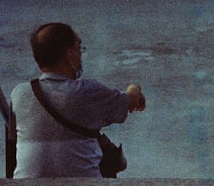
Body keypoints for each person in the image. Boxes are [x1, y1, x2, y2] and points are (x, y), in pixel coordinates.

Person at [11, 22, 146, 178]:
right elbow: (131, 101)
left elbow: (15, 136)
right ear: (70, 55)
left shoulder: (19, 94)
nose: (81, 54)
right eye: (79, 49)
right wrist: (134, 89)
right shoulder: (87, 91)